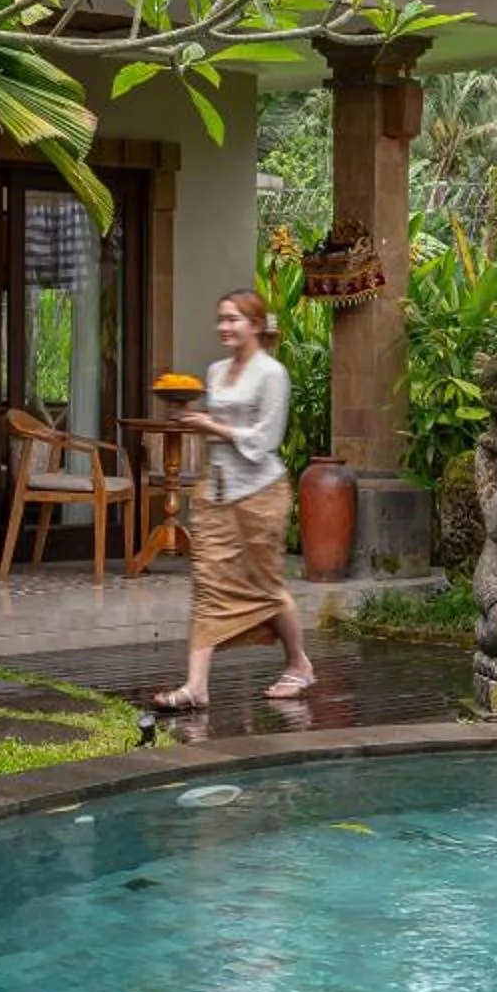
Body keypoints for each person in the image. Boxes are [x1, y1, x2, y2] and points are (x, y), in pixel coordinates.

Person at [151, 289, 316, 709]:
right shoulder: (216, 369)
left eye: (233, 319)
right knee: (207, 584)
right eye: (221, 318)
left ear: (256, 325)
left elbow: (265, 439)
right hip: (216, 491)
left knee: (266, 586)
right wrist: (194, 419)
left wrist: (212, 425)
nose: (224, 326)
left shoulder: (271, 374)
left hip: (260, 494)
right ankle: (196, 687)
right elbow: (217, 423)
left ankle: (299, 664)